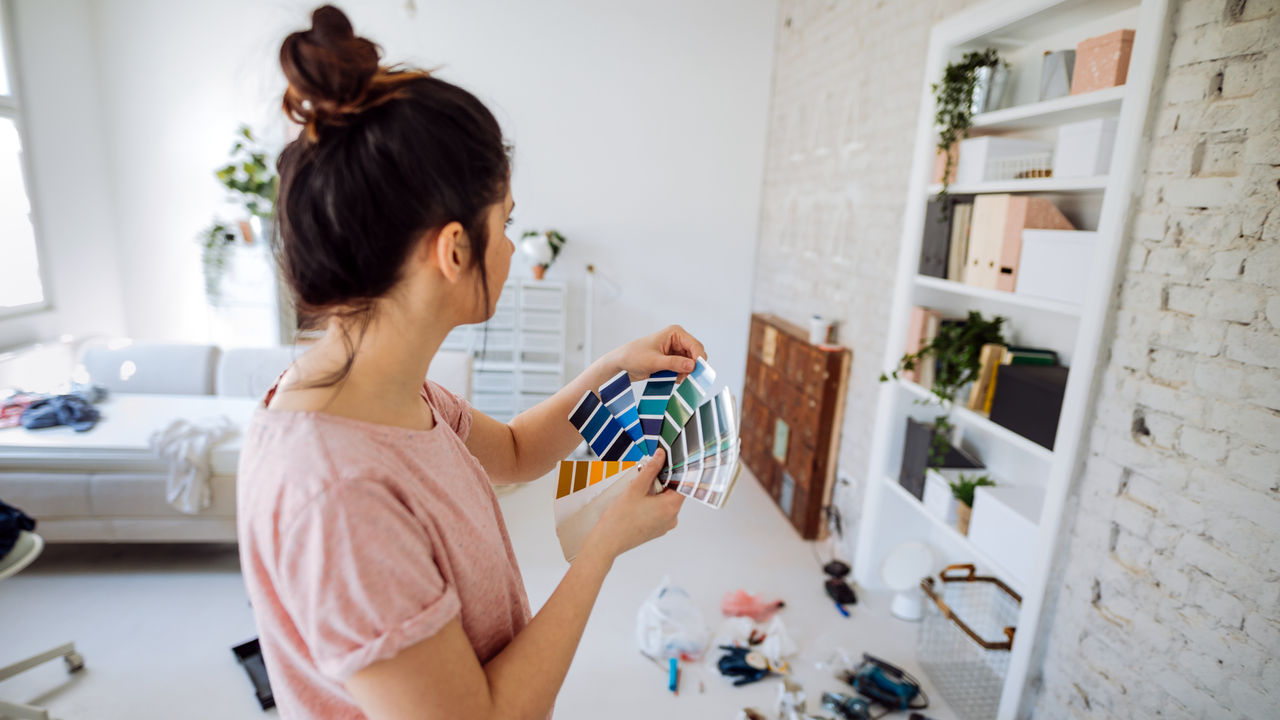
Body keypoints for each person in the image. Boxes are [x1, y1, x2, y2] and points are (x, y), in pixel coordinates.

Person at [236, 6, 704, 719]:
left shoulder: (380, 391)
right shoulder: (338, 497)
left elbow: (515, 452)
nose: (514, 247)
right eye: (505, 221)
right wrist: (602, 547)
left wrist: (617, 370)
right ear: (454, 250)